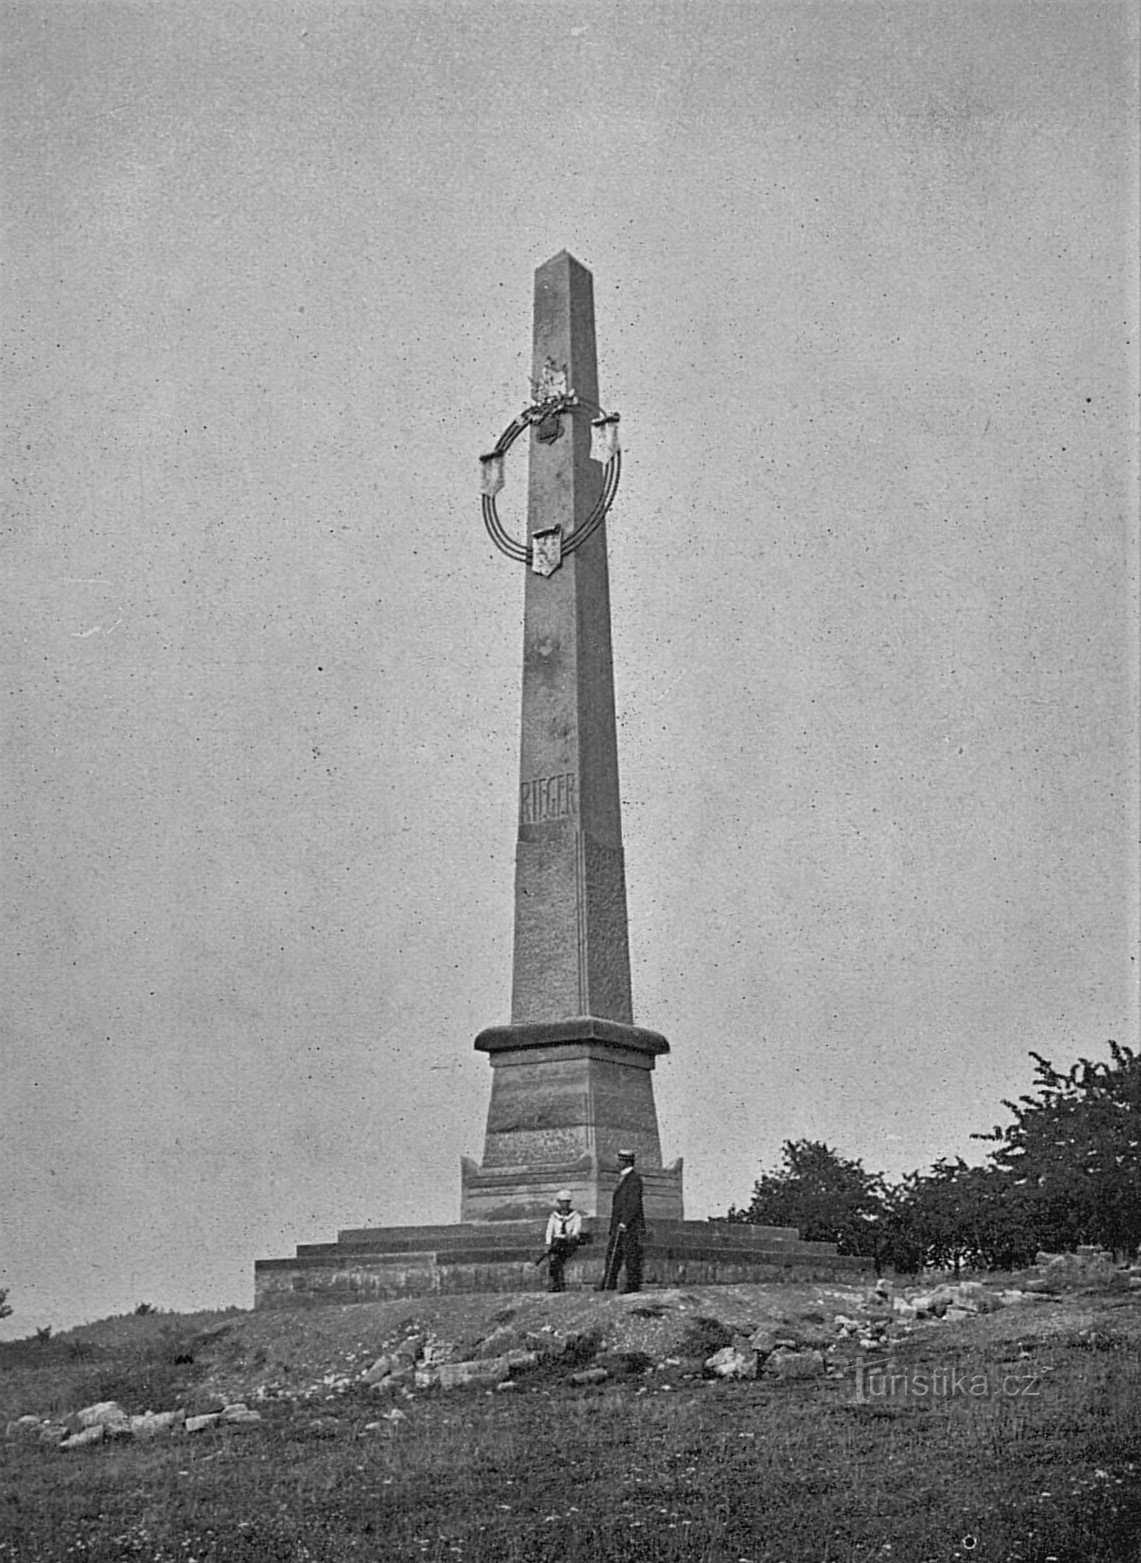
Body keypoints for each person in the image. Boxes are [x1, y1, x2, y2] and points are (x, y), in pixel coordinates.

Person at [599, 1149, 645, 1293]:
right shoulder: (625, 1178)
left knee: (631, 1255)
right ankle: (608, 1282)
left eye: (620, 1160)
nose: (617, 1163)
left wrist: (624, 1222)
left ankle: (632, 1285)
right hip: (620, 1226)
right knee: (613, 1253)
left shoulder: (634, 1179)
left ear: (626, 1162)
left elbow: (633, 1203)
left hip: (628, 1226)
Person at [543, 1190, 583, 1293]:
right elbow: (549, 1229)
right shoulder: (554, 1216)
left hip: (568, 1241)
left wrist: (572, 1235)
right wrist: (548, 1243)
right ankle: (556, 1283)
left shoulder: (575, 1216)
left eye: (567, 1202)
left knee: (558, 1256)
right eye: (563, 1202)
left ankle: (558, 1283)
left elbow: (576, 1230)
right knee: (554, 1259)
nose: (565, 1205)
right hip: (557, 1240)